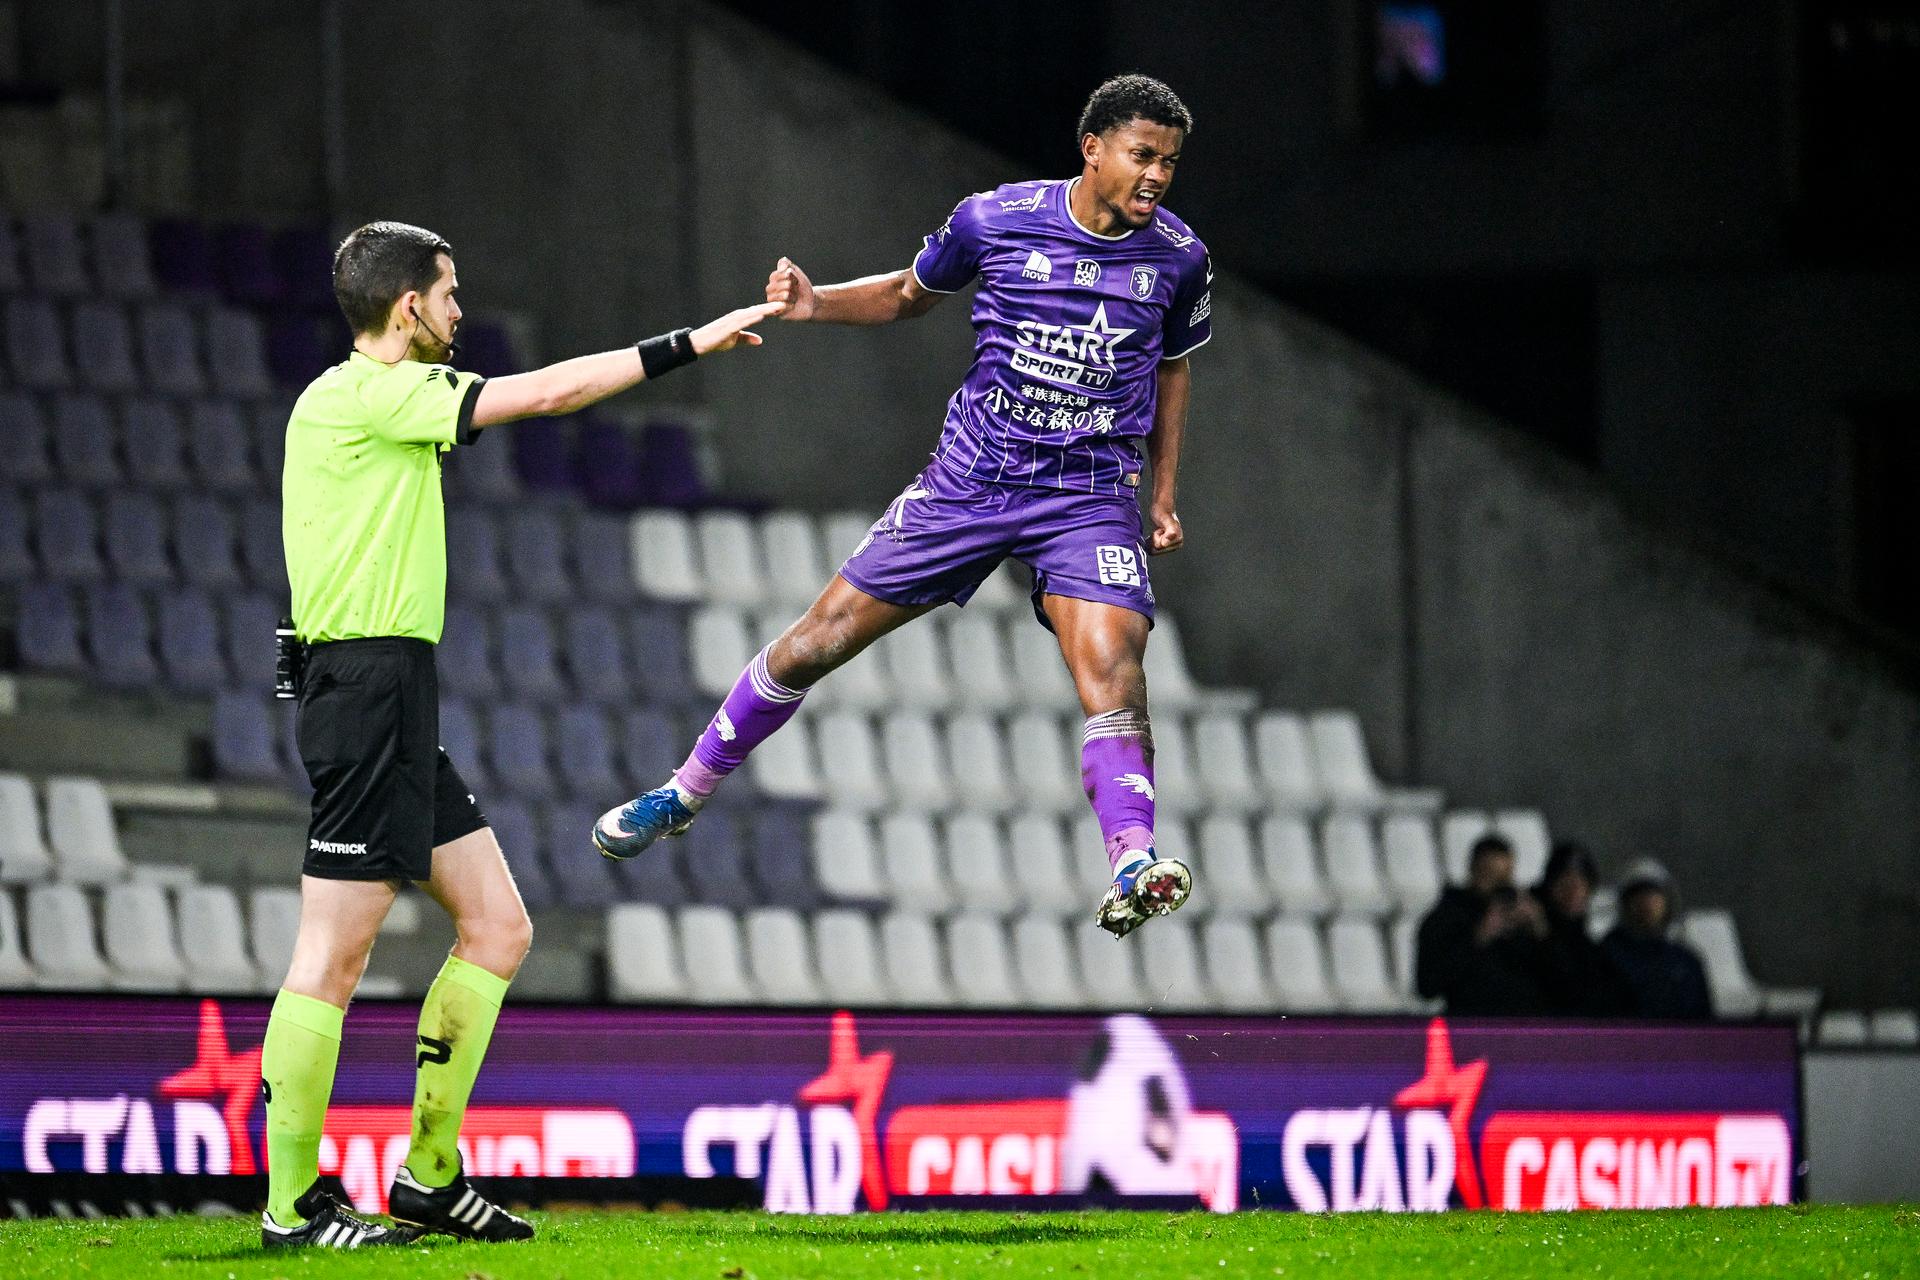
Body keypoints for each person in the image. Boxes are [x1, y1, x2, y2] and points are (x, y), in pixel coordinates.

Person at [594, 75, 1215, 940]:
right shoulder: (994, 220)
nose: (1157, 177)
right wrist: (814, 306)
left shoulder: (1179, 257)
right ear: (1094, 149)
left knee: (1116, 661)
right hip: (973, 479)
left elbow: (1174, 367)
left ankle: (1133, 859)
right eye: (1143, 156)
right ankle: (684, 790)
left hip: (1087, 494)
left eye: (1170, 163)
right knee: (817, 643)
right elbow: (906, 293)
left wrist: (1164, 495)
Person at [264, 220, 774, 1250]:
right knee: (332, 954)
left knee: (498, 927)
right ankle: (291, 1207)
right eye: (449, 293)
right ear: (408, 306)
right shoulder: (371, 394)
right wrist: (688, 343)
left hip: (392, 688)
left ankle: (429, 1175)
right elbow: (543, 393)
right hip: (362, 687)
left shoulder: (363, 403)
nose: (460, 309)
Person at [1414, 834, 1553, 1015]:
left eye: (1505, 877)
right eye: (1490, 875)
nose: (1498, 885)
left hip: (1521, 1027)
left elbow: (1558, 982)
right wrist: (1478, 938)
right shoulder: (1445, 919)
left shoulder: (1521, 920)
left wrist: (1541, 930)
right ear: (1473, 871)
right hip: (1471, 1026)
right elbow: (1428, 986)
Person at [1601, 858, 1713, 1020]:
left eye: (1654, 895)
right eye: (1639, 895)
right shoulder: (1604, 958)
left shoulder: (1686, 963)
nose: (1647, 903)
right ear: (1625, 903)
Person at [1533, 841, 1632, 1016]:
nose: (1572, 890)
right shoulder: (1526, 939)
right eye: (1564, 881)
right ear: (1549, 887)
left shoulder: (1595, 953)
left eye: (1580, 883)